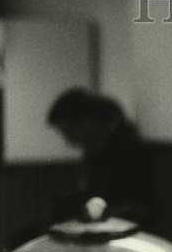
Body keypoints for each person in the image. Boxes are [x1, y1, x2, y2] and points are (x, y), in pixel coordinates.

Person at [46, 88, 154, 225]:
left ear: (87, 122)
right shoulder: (94, 152)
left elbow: (141, 208)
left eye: (69, 132)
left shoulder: (128, 152)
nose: (69, 141)